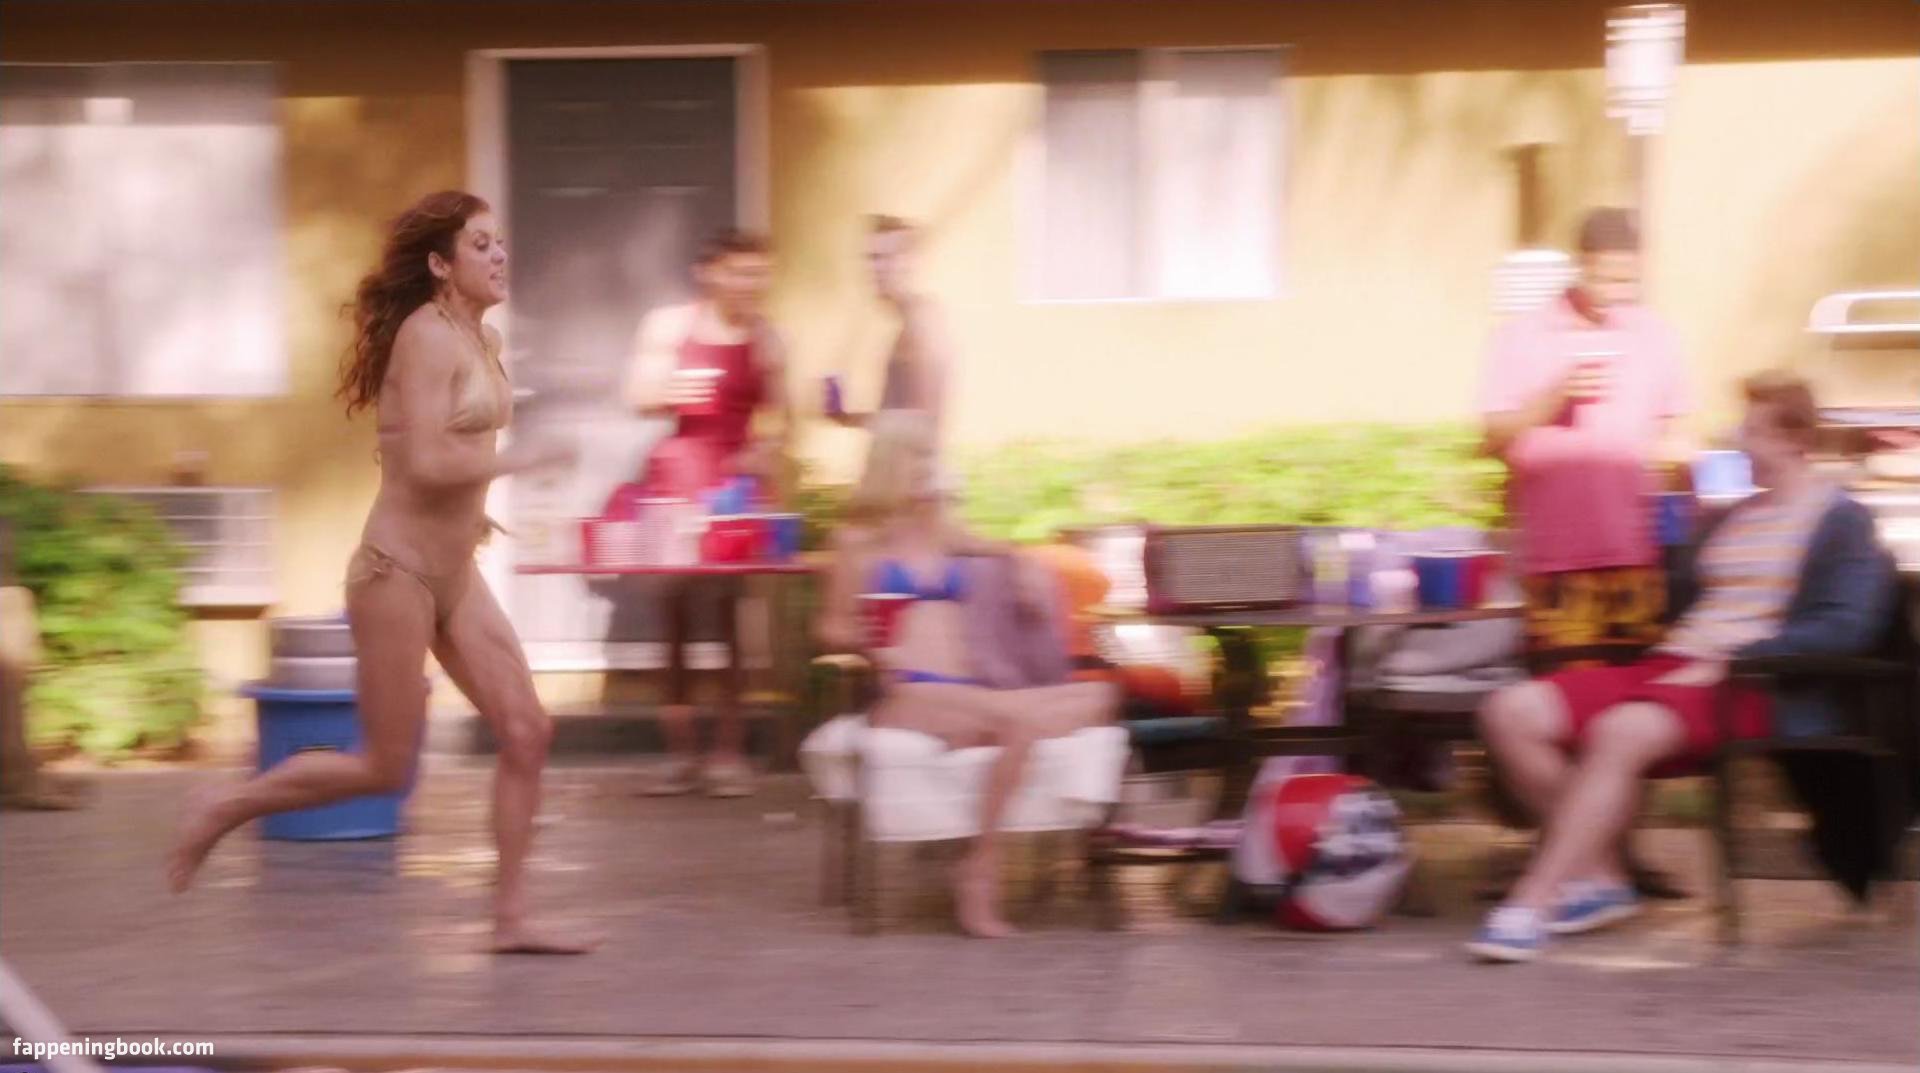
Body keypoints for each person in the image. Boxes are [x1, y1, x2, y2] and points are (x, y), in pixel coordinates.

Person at [166, 191, 589, 955]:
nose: (499, 255)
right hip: (395, 573)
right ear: (440, 264)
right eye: (480, 244)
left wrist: (477, 513)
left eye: (499, 242)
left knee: (528, 730)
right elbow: (424, 461)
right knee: (384, 767)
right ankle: (226, 804)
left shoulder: (483, 339)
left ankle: (511, 917)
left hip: (455, 572)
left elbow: (447, 453)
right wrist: (521, 462)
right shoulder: (425, 336)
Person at [1467, 371, 1899, 963]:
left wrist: (1736, 660)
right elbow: (1678, 601)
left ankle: (1531, 903)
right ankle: (1601, 877)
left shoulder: (1841, 519)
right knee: (1510, 711)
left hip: (1758, 684)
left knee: (1622, 730)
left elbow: (1846, 627)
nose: (1738, 442)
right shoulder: (1732, 516)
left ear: (1795, 439)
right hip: (1676, 665)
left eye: (1752, 431)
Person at [816, 411, 1119, 937]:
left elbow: (1000, 551)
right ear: (892, 463)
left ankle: (995, 757)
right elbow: (830, 627)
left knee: (1101, 698)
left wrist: (1025, 569)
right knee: (1021, 721)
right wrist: (869, 642)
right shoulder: (858, 541)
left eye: (931, 457)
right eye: (919, 457)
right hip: (911, 692)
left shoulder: (943, 530)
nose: (930, 468)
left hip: (974, 691)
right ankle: (980, 868)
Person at [624, 229, 793, 797]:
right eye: (741, 273)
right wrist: (673, 390)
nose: (752, 285)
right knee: (672, 610)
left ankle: (727, 755)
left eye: (760, 274)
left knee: (730, 614)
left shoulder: (769, 337)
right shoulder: (669, 326)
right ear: (710, 273)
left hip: (735, 486)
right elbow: (637, 395)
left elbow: (783, 418)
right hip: (679, 473)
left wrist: (767, 452)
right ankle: (680, 756)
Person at [1480, 207, 1692, 656]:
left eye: (1628, 281)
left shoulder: (1655, 335)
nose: (1617, 293)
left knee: (1632, 685)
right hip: (1557, 561)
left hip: (1635, 555)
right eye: (1605, 279)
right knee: (1566, 687)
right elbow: (1492, 435)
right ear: (1581, 264)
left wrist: (1680, 462)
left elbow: (1674, 431)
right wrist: (1551, 399)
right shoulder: (1522, 335)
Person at [825, 216, 953, 444]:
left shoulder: (921, 323)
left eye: (886, 258)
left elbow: (923, 424)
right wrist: (845, 417)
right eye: (870, 259)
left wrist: (850, 418)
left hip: (911, 463)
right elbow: (901, 415)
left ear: (910, 263)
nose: (875, 269)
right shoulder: (906, 322)